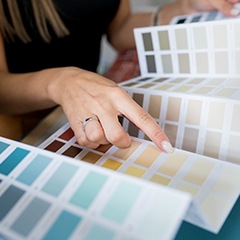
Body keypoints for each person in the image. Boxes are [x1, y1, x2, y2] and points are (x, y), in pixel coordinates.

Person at [0, 0, 239, 153]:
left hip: (87, 102)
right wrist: (61, 82)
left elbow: (119, 28)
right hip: (17, 122)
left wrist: (184, 8)